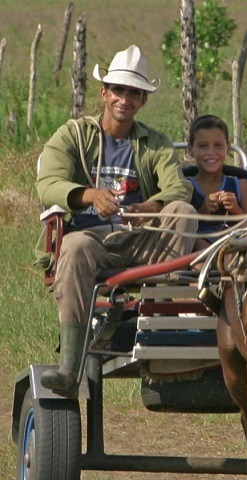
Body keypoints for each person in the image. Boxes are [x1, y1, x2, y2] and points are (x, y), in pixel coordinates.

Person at [36, 45, 198, 396]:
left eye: (134, 93)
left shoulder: (154, 143)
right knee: (76, 245)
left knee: (182, 213)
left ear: (143, 100)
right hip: (93, 242)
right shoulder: (74, 135)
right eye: (119, 90)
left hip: (143, 244)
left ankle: (167, 326)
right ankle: (70, 366)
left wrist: (151, 207)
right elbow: (48, 184)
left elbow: (179, 189)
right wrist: (89, 196)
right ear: (104, 93)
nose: (125, 99)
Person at [187, 114, 247, 249]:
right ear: (191, 150)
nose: (211, 152)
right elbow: (180, 230)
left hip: (235, 246)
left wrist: (236, 210)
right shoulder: (185, 187)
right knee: (197, 244)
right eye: (203, 146)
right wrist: (202, 211)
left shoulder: (242, 186)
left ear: (228, 148)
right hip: (197, 249)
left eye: (218, 145)